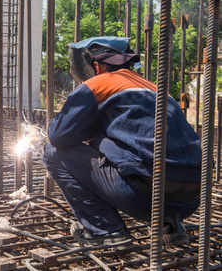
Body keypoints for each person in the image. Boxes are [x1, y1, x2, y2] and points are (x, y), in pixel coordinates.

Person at [43, 36, 201, 246]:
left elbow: (58, 135)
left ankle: (106, 229)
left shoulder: (99, 84)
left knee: (52, 152)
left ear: (96, 66)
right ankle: (172, 226)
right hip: (191, 201)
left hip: (144, 199)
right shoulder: (156, 89)